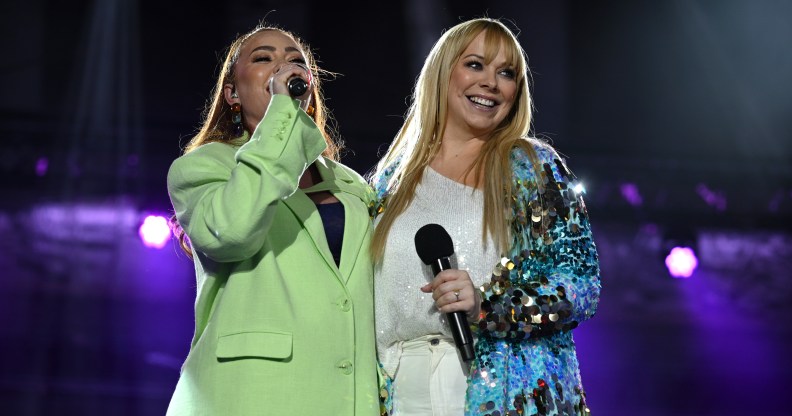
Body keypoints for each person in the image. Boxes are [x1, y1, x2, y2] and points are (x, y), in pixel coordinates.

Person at [368, 18, 601, 416]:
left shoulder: (532, 167)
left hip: (498, 386)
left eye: (506, 73)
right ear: (444, 72)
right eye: (475, 65)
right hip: (401, 388)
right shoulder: (394, 178)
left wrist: (488, 307)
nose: (491, 82)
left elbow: (580, 283)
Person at [166, 23, 380, 415]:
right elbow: (232, 232)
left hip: (347, 397)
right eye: (264, 58)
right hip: (249, 395)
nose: (284, 67)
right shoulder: (202, 168)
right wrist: (282, 114)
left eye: (296, 61)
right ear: (232, 92)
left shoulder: (350, 184)